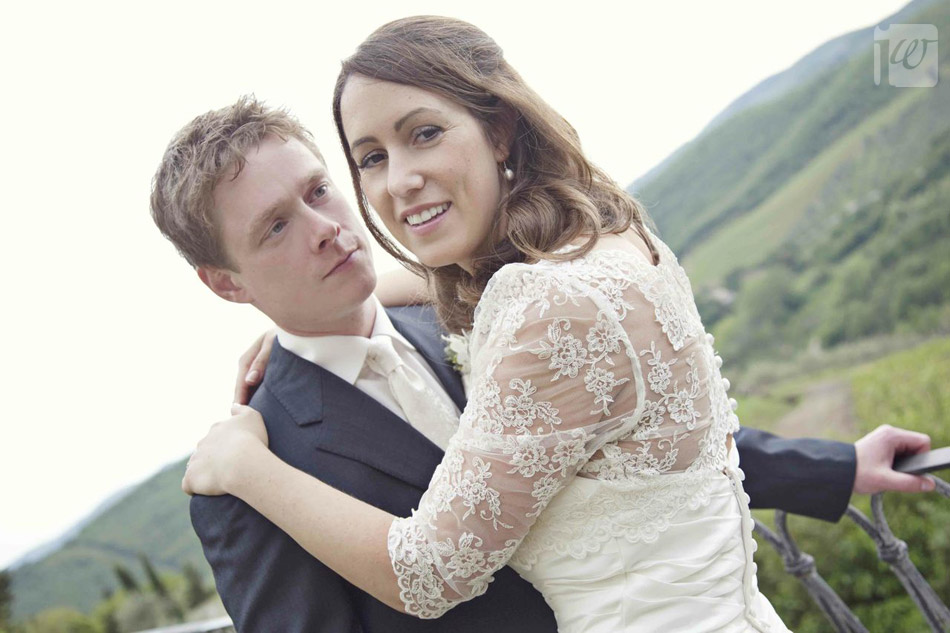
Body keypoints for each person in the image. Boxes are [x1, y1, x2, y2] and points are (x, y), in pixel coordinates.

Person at [158, 28, 934, 633]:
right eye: (276, 228)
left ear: (495, 130)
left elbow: (637, 454)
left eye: (322, 189)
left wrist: (829, 470)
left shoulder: (502, 306)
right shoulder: (247, 475)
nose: (330, 227)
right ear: (225, 283)